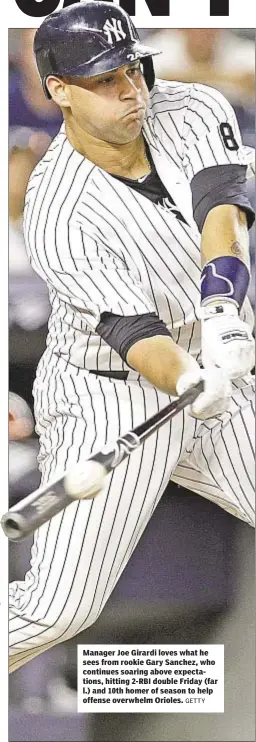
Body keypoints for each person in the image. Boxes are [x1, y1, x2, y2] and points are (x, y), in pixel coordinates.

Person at [9, 2, 255, 673]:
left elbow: (223, 212)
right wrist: (183, 375)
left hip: (214, 347)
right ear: (59, 91)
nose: (130, 91)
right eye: (105, 80)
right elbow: (131, 332)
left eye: (132, 68)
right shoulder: (56, 209)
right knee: (59, 610)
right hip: (108, 393)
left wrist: (223, 307)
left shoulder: (194, 107)